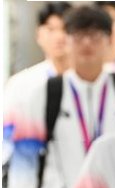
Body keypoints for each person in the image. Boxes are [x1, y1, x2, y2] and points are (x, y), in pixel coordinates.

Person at [7, 5, 115, 188]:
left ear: (109, 41)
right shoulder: (45, 94)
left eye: (95, 35)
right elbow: (24, 160)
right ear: (68, 40)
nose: (87, 43)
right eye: (79, 35)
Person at [3, 1, 72, 166]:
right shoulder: (21, 84)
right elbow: (6, 140)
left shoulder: (88, 83)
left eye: (65, 29)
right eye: (51, 29)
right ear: (39, 35)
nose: (59, 36)